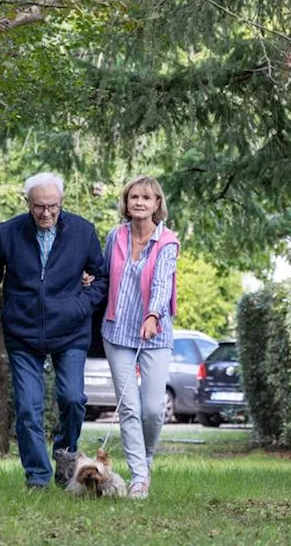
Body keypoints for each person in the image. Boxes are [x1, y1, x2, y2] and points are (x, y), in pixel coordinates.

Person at [0, 172, 108, 489]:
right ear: (27, 203)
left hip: (70, 330)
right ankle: (38, 478)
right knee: (29, 408)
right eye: (39, 207)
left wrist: (81, 306)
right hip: (23, 331)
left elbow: (100, 278)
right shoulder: (7, 232)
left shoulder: (83, 231)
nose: (46, 213)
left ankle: (66, 456)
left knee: (73, 399)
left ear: (62, 202)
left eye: (53, 207)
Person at [100, 175, 179, 499]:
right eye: (134, 197)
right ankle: (138, 478)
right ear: (126, 202)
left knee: (151, 409)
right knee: (129, 408)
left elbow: (162, 284)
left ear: (157, 203)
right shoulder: (114, 237)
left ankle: (145, 458)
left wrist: (152, 315)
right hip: (117, 332)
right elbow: (104, 273)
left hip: (155, 334)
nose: (139, 202)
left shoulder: (168, 241)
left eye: (146, 198)